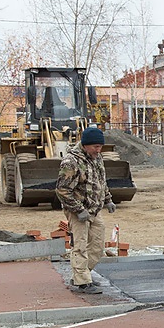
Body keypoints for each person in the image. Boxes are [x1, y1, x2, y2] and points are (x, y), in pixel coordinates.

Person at [56, 125, 115, 294]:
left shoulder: (97, 158)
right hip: (77, 210)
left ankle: (81, 274)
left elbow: (101, 182)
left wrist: (108, 200)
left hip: (94, 209)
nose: (99, 150)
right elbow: (62, 190)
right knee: (80, 245)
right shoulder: (71, 162)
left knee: (97, 246)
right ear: (85, 145)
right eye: (95, 147)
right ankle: (82, 282)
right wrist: (78, 209)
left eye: (100, 146)